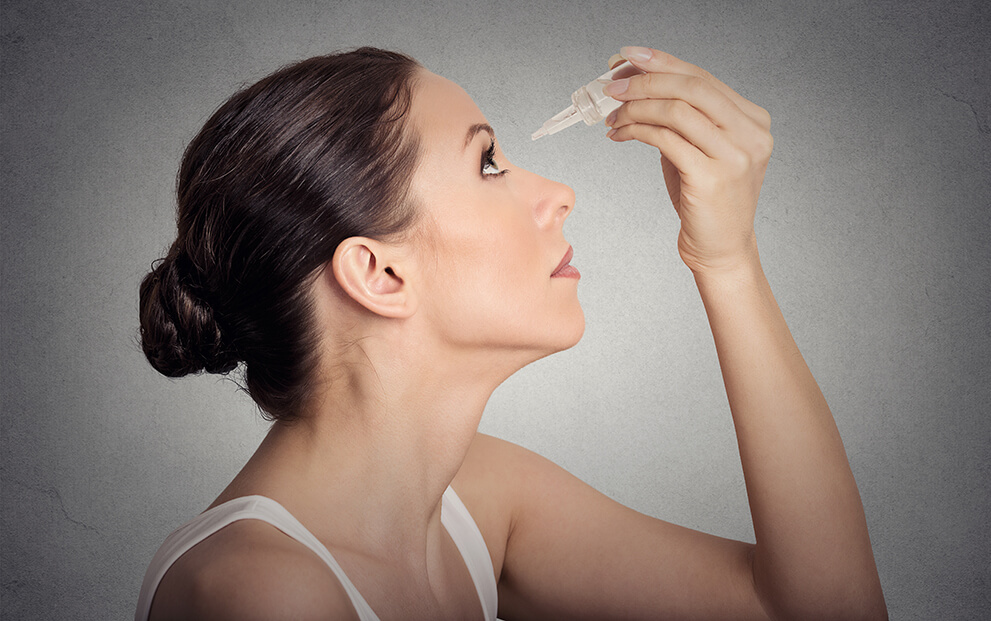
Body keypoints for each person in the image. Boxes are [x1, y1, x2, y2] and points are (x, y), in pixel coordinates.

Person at [134, 46, 887, 620]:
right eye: (488, 162)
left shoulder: (478, 497)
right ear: (380, 274)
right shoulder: (262, 594)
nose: (559, 194)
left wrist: (724, 259)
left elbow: (814, 609)